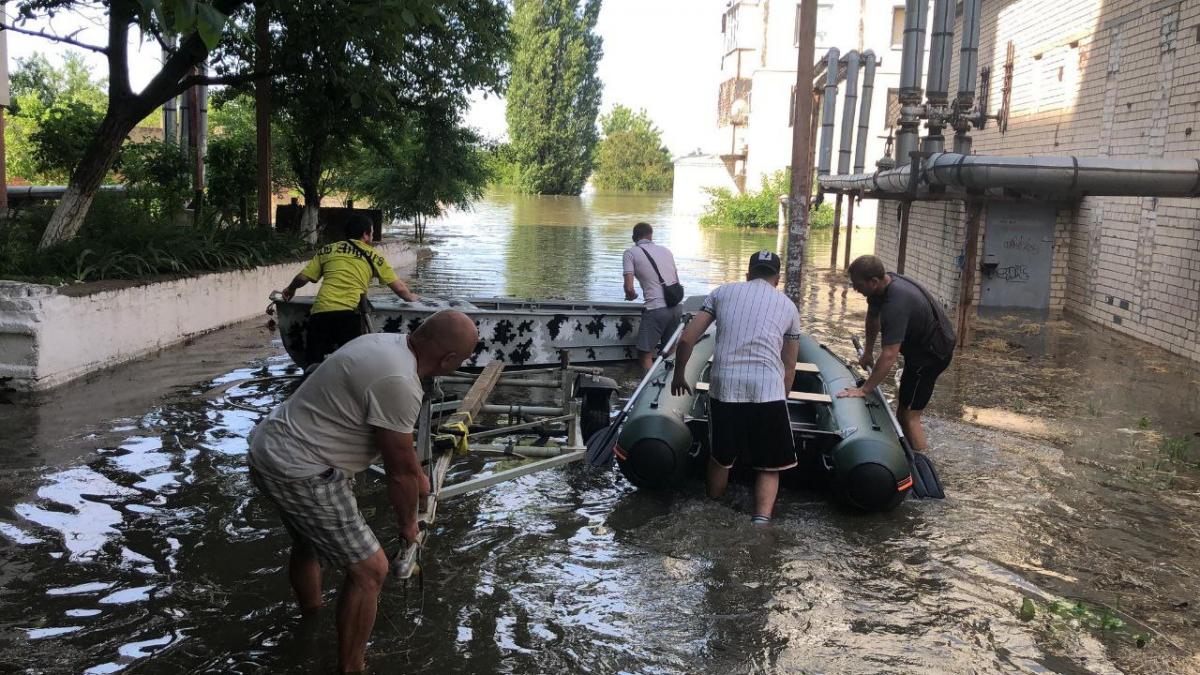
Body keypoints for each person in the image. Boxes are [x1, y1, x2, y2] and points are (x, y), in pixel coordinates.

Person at [248, 310, 479, 673]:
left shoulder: (384, 343)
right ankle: (352, 667)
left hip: (270, 447)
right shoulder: (399, 382)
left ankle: (311, 615)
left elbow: (406, 463)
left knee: (308, 541)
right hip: (302, 469)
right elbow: (400, 472)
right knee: (371, 570)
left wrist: (419, 478)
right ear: (448, 359)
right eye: (461, 361)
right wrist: (407, 525)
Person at [670, 251, 802, 524]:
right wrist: (782, 398)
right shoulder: (788, 306)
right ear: (777, 279)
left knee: (721, 459)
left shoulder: (721, 293)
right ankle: (761, 521)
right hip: (767, 390)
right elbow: (789, 365)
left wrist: (679, 375)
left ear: (747, 274)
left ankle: (713, 509)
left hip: (726, 386)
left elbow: (686, 341)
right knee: (770, 465)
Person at [837, 254, 955, 456]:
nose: (854, 288)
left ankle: (922, 464)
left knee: (909, 415)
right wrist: (867, 352)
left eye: (857, 284)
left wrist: (865, 389)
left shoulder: (895, 305)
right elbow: (873, 318)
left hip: (930, 357)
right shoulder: (880, 287)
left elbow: (890, 354)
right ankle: (909, 454)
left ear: (873, 281)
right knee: (903, 410)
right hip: (920, 349)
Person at [279, 215, 419, 365]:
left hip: (320, 314)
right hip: (348, 316)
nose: (372, 236)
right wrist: (412, 297)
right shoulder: (374, 256)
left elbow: (302, 278)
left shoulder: (328, 250)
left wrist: (290, 289)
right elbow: (399, 288)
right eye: (371, 232)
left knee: (312, 365)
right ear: (365, 234)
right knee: (351, 366)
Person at [622, 221, 683, 372]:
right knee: (670, 351)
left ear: (633, 237)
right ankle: (667, 389)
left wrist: (632, 295)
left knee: (644, 355)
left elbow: (629, 288)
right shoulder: (666, 251)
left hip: (656, 308)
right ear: (651, 235)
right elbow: (676, 280)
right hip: (676, 307)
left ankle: (648, 391)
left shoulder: (630, 253)